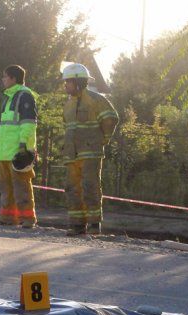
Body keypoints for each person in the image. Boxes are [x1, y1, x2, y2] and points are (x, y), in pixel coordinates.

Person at [61, 63, 119, 236]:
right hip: (72, 154)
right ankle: (77, 224)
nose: (65, 85)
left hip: (90, 153)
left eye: (68, 82)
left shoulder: (96, 100)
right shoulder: (68, 104)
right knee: (72, 188)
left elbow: (111, 119)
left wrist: (103, 139)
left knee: (90, 186)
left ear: (78, 82)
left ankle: (94, 225)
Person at [0, 65, 39, 229]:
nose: (2, 80)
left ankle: (28, 219)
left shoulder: (24, 96)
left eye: (5, 77)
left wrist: (23, 147)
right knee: (6, 186)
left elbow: (29, 124)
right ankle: (7, 217)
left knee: (21, 187)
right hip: (5, 151)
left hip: (18, 152)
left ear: (13, 79)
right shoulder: (9, 97)